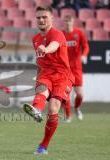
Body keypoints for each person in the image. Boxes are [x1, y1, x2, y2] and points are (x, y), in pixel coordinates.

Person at [22, 6, 73, 154]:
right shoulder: (35, 39)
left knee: (53, 108)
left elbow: (54, 46)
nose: (41, 20)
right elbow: (41, 60)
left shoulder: (58, 34)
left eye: (44, 17)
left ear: (52, 18)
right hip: (45, 74)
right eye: (38, 17)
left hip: (62, 75)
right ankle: (36, 110)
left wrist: (46, 48)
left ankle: (43, 146)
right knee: (41, 92)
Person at [62, 15, 89, 122]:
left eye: (69, 21)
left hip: (77, 68)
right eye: (66, 21)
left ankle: (77, 108)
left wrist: (84, 55)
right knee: (65, 94)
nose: (68, 23)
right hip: (65, 69)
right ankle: (68, 116)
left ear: (73, 22)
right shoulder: (61, 34)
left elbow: (86, 46)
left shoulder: (79, 33)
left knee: (80, 94)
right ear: (64, 22)